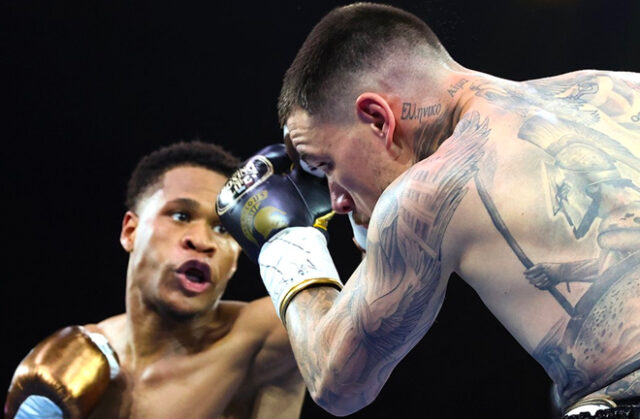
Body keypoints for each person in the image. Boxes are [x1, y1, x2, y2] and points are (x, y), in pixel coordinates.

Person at [216, 3, 640, 418]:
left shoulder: (431, 188)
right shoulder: (617, 87)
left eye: (327, 165)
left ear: (378, 119)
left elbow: (338, 383)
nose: (338, 199)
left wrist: (285, 247)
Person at [5, 141, 305, 419]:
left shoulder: (264, 335)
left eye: (223, 229)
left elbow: (349, 321)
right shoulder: (72, 362)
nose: (203, 241)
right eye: (181, 216)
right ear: (130, 231)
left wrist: (346, 210)